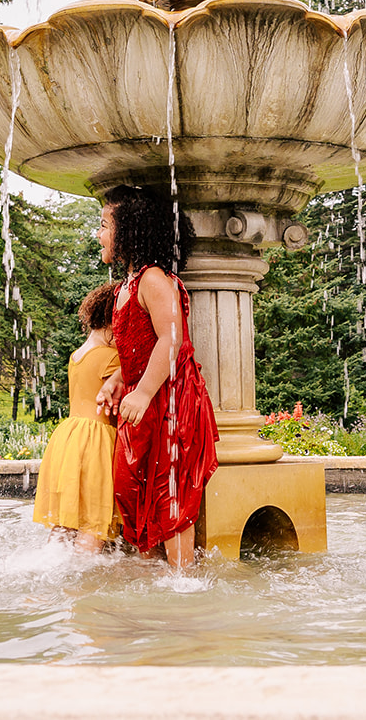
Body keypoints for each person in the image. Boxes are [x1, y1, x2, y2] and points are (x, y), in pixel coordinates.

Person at [94, 185, 218, 568]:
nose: (98, 235)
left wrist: (144, 392)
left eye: (103, 225)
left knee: (170, 490)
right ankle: (156, 577)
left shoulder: (152, 280)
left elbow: (173, 338)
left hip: (170, 401)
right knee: (131, 486)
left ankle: (183, 582)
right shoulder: (125, 287)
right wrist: (117, 381)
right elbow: (137, 346)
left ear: (129, 232)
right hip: (144, 398)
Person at [31, 282, 121, 552]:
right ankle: (84, 576)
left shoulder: (76, 355)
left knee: (65, 521)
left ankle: (50, 564)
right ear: (112, 321)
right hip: (96, 442)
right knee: (95, 519)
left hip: (68, 440)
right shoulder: (111, 357)